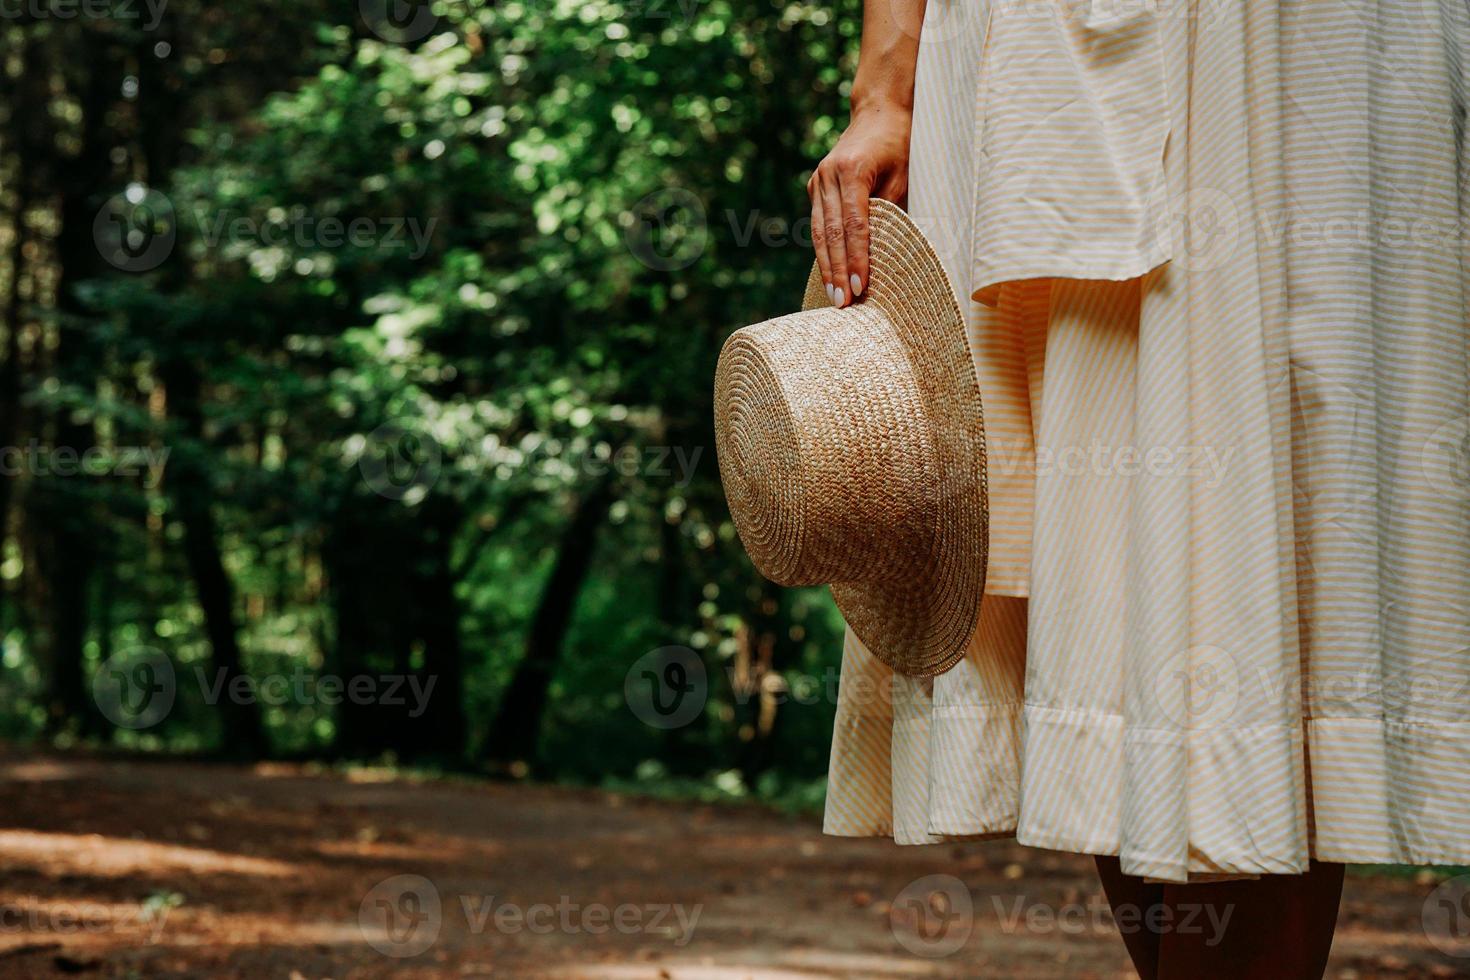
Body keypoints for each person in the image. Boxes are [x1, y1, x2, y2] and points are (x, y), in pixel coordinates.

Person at [809, 1, 1469, 976]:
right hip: (1022, 55)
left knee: (1261, 569)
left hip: (1297, 46)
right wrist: (884, 92)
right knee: (1094, 590)